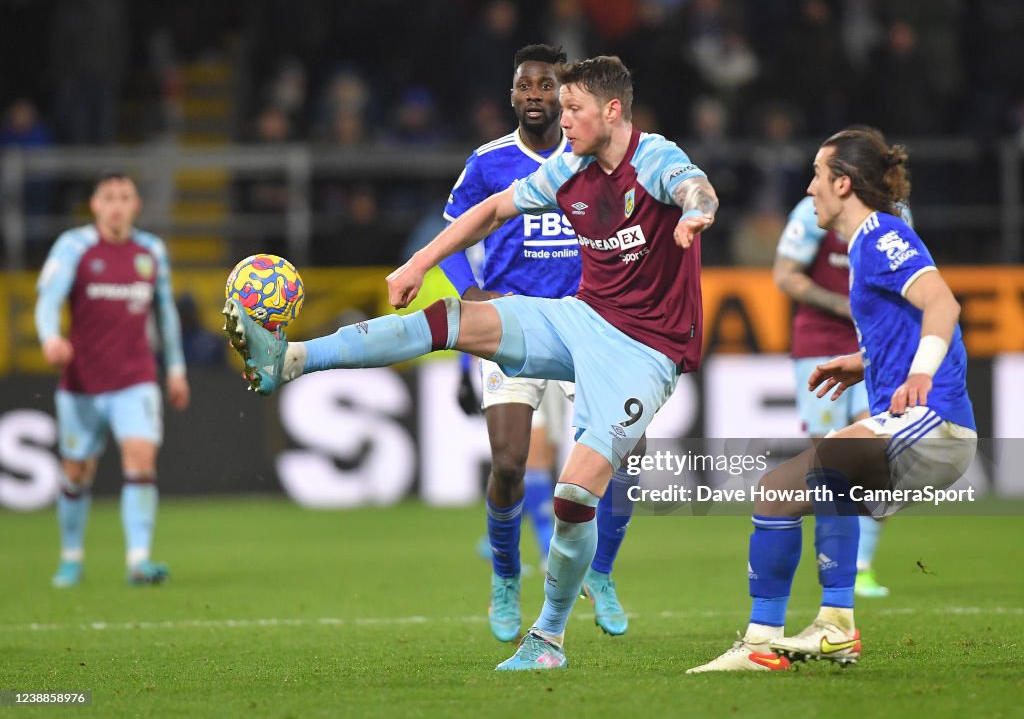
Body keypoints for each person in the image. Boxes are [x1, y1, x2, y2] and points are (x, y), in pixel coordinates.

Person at [223, 55, 718, 670]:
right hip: (582, 318)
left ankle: (549, 639)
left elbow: (694, 185)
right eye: (560, 108)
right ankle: (290, 359)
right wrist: (418, 264)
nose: (562, 120)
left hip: (645, 352)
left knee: (572, 496)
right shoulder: (568, 167)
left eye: (573, 109)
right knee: (454, 320)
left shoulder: (655, 158)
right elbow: (488, 213)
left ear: (612, 111)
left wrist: (697, 210)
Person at [689, 128, 976, 673]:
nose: (811, 186)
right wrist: (863, 363)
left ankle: (822, 628)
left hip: (932, 422)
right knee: (784, 490)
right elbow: (907, 322)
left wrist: (917, 375)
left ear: (843, 183)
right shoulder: (864, 242)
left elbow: (943, 304)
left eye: (819, 175)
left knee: (809, 476)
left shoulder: (881, 236)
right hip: (922, 424)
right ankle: (791, 636)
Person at [440, 44, 635, 642]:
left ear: (565, 95)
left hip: (588, 323)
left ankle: (599, 574)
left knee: (623, 456)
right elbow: (453, 232)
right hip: (514, 327)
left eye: (545, 87)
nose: (533, 96)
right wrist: (471, 292)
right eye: (524, 86)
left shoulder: (595, 159)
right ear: (512, 96)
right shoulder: (489, 162)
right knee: (509, 462)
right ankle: (505, 578)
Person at [36, 173, 190, 587]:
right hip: (83, 381)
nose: (117, 205)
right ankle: (71, 557)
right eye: (109, 197)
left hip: (136, 378)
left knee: (140, 459)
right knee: (76, 473)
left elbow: (166, 314)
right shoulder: (74, 246)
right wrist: (50, 338)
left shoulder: (151, 250)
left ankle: (138, 559)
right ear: (95, 205)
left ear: (136, 204)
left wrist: (175, 368)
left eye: (125, 197)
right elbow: (48, 300)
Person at [774, 189, 915, 598]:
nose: (812, 185)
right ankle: (836, 565)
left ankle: (860, 566)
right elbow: (785, 275)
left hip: (877, 345)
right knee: (830, 464)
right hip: (819, 344)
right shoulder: (811, 210)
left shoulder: (896, 214)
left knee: (878, 450)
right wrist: (845, 304)